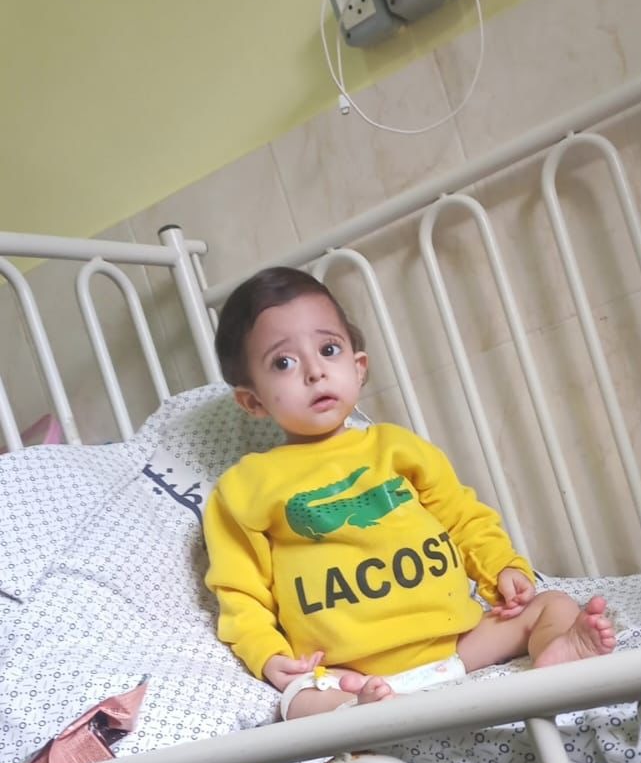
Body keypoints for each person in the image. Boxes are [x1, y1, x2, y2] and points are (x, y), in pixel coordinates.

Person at [203, 267, 616, 720]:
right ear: (253, 401)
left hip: (456, 644)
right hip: (348, 672)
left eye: (329, 349)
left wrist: (501, 568)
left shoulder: (396, 447)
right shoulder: (246, 486)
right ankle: (366, 713)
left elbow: (461, 517)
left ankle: (557, 654)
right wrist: (266, 653)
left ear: (358, 367)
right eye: (283, 363)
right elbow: (239, 591)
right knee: (297, 701)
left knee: (553, 605)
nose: (315, 372)